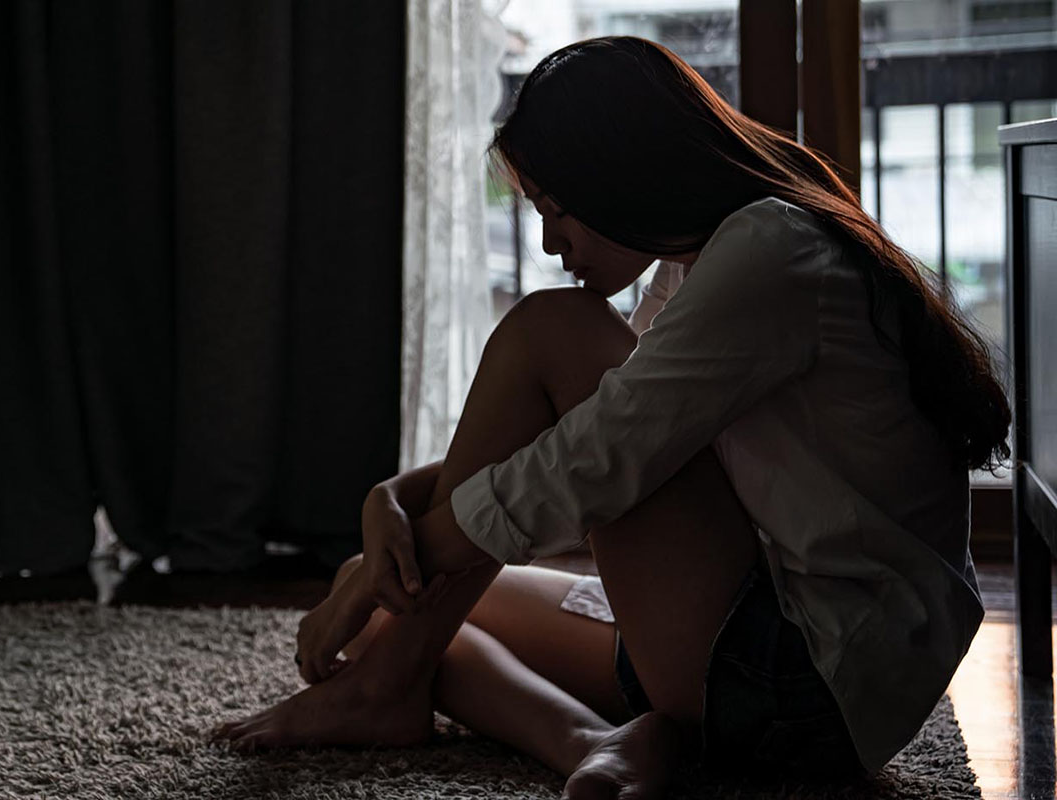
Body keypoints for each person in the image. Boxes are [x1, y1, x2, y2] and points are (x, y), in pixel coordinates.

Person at [211, 36, 1010, 799]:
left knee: (546, 332)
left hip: (804, 678)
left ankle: (383, 689)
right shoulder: (710, 258)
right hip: (777, 654)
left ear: (621, 171)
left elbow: (592, 459)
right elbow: (577, 438)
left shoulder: (770, 252)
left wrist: (408, 545)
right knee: (392, 596)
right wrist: (388, 501)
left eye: (559, 210)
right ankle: (590, 744)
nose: (554, 243)